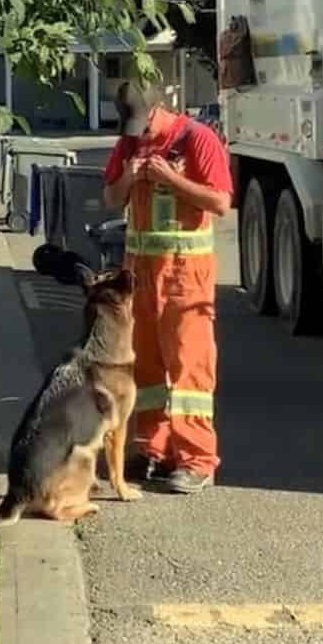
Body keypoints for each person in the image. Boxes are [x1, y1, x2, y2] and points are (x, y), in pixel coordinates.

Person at [102, 79, 233, 493]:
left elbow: (220, 202)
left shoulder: (198, 140)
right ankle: (152, 450)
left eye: (143, 125)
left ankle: (196, 459)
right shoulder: (129, 143)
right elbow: (111, 199)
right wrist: (129, 175)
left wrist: (171, 179)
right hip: (141, 276)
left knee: (190, 368)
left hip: (185, 277)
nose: (138, 135)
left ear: (161, 110)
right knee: (146, 367)